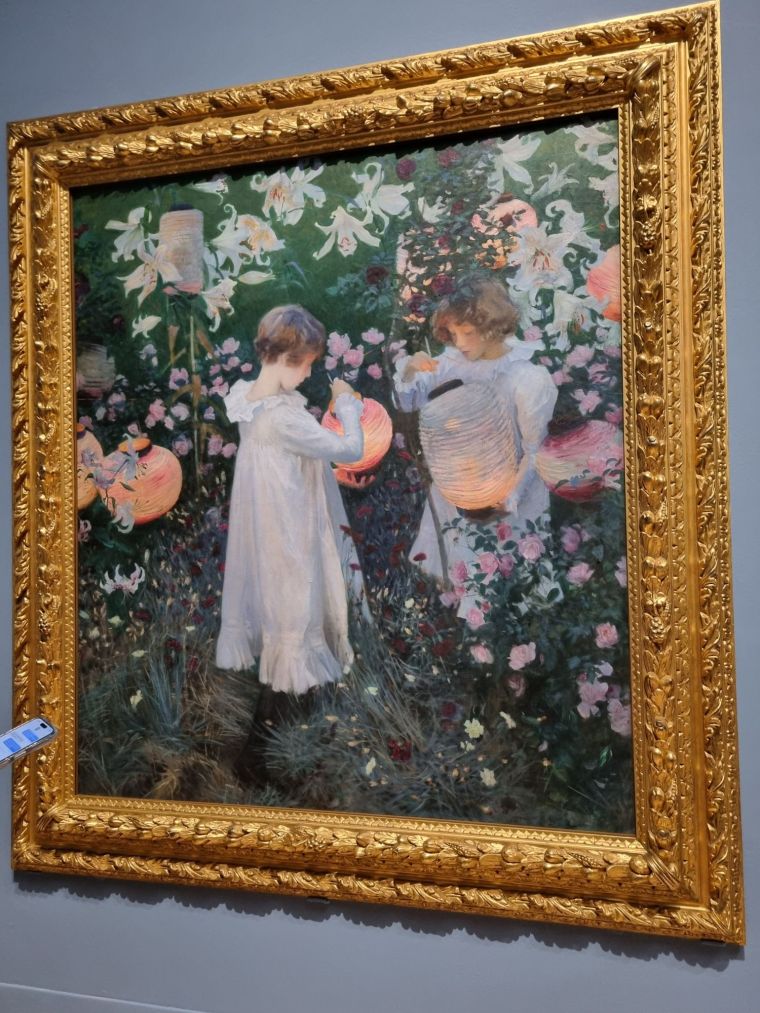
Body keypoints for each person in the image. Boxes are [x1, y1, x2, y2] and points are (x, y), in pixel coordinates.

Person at [215, 304, 365, 695]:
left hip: (265, 517)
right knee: (296, 595)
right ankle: (289, 693)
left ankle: (281, 688)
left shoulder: (247, 398)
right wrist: (347, 405)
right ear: (286, 359)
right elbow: (350, 449)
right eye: (307, 365)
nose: (309, 374)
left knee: (277, 595)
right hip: (290, 519)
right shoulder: (284, 417)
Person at [394, 275, 557, 589]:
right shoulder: (451, 363)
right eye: (454, 334)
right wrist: (412, 369)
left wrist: (509, 498)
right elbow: (408, 401)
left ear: (492, 327)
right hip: (459, 485)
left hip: (512, 488)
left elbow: (535, 449)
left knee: (507, 580)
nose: (460, 343)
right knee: (458, 573)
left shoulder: (527, 377)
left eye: (467, 333)